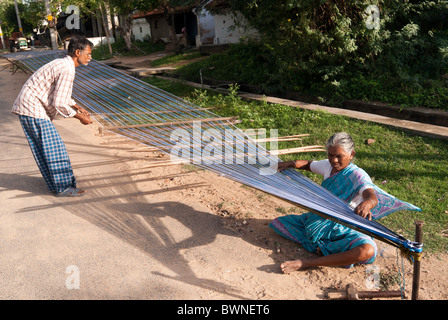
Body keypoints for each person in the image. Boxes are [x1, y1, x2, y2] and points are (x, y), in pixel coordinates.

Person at [270, 132, 379, 273]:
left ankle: (307, 262)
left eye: (339, 156)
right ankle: (328, 248)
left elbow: (371, 196)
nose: (334, 160)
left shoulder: (358, 175)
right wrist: (290, 164)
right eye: (330, 155)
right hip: (318, 220)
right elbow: (309, 165)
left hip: (344, 229)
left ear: (351, 154)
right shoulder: (328, 166)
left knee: (367, 250)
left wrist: (367, 204)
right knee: (279, 223)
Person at [12, 35, 93, 197]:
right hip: (32, 107)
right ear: (78, 52)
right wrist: (80, 117)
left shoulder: (63, 63)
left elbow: (62, 95)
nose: (90, 57)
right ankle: (64, 188)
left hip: (28, 106)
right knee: (54, 149)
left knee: (45, 149)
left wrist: (77, 106)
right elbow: (60, 102)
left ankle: (57, 186)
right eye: (88, 53)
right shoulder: (67, 69)